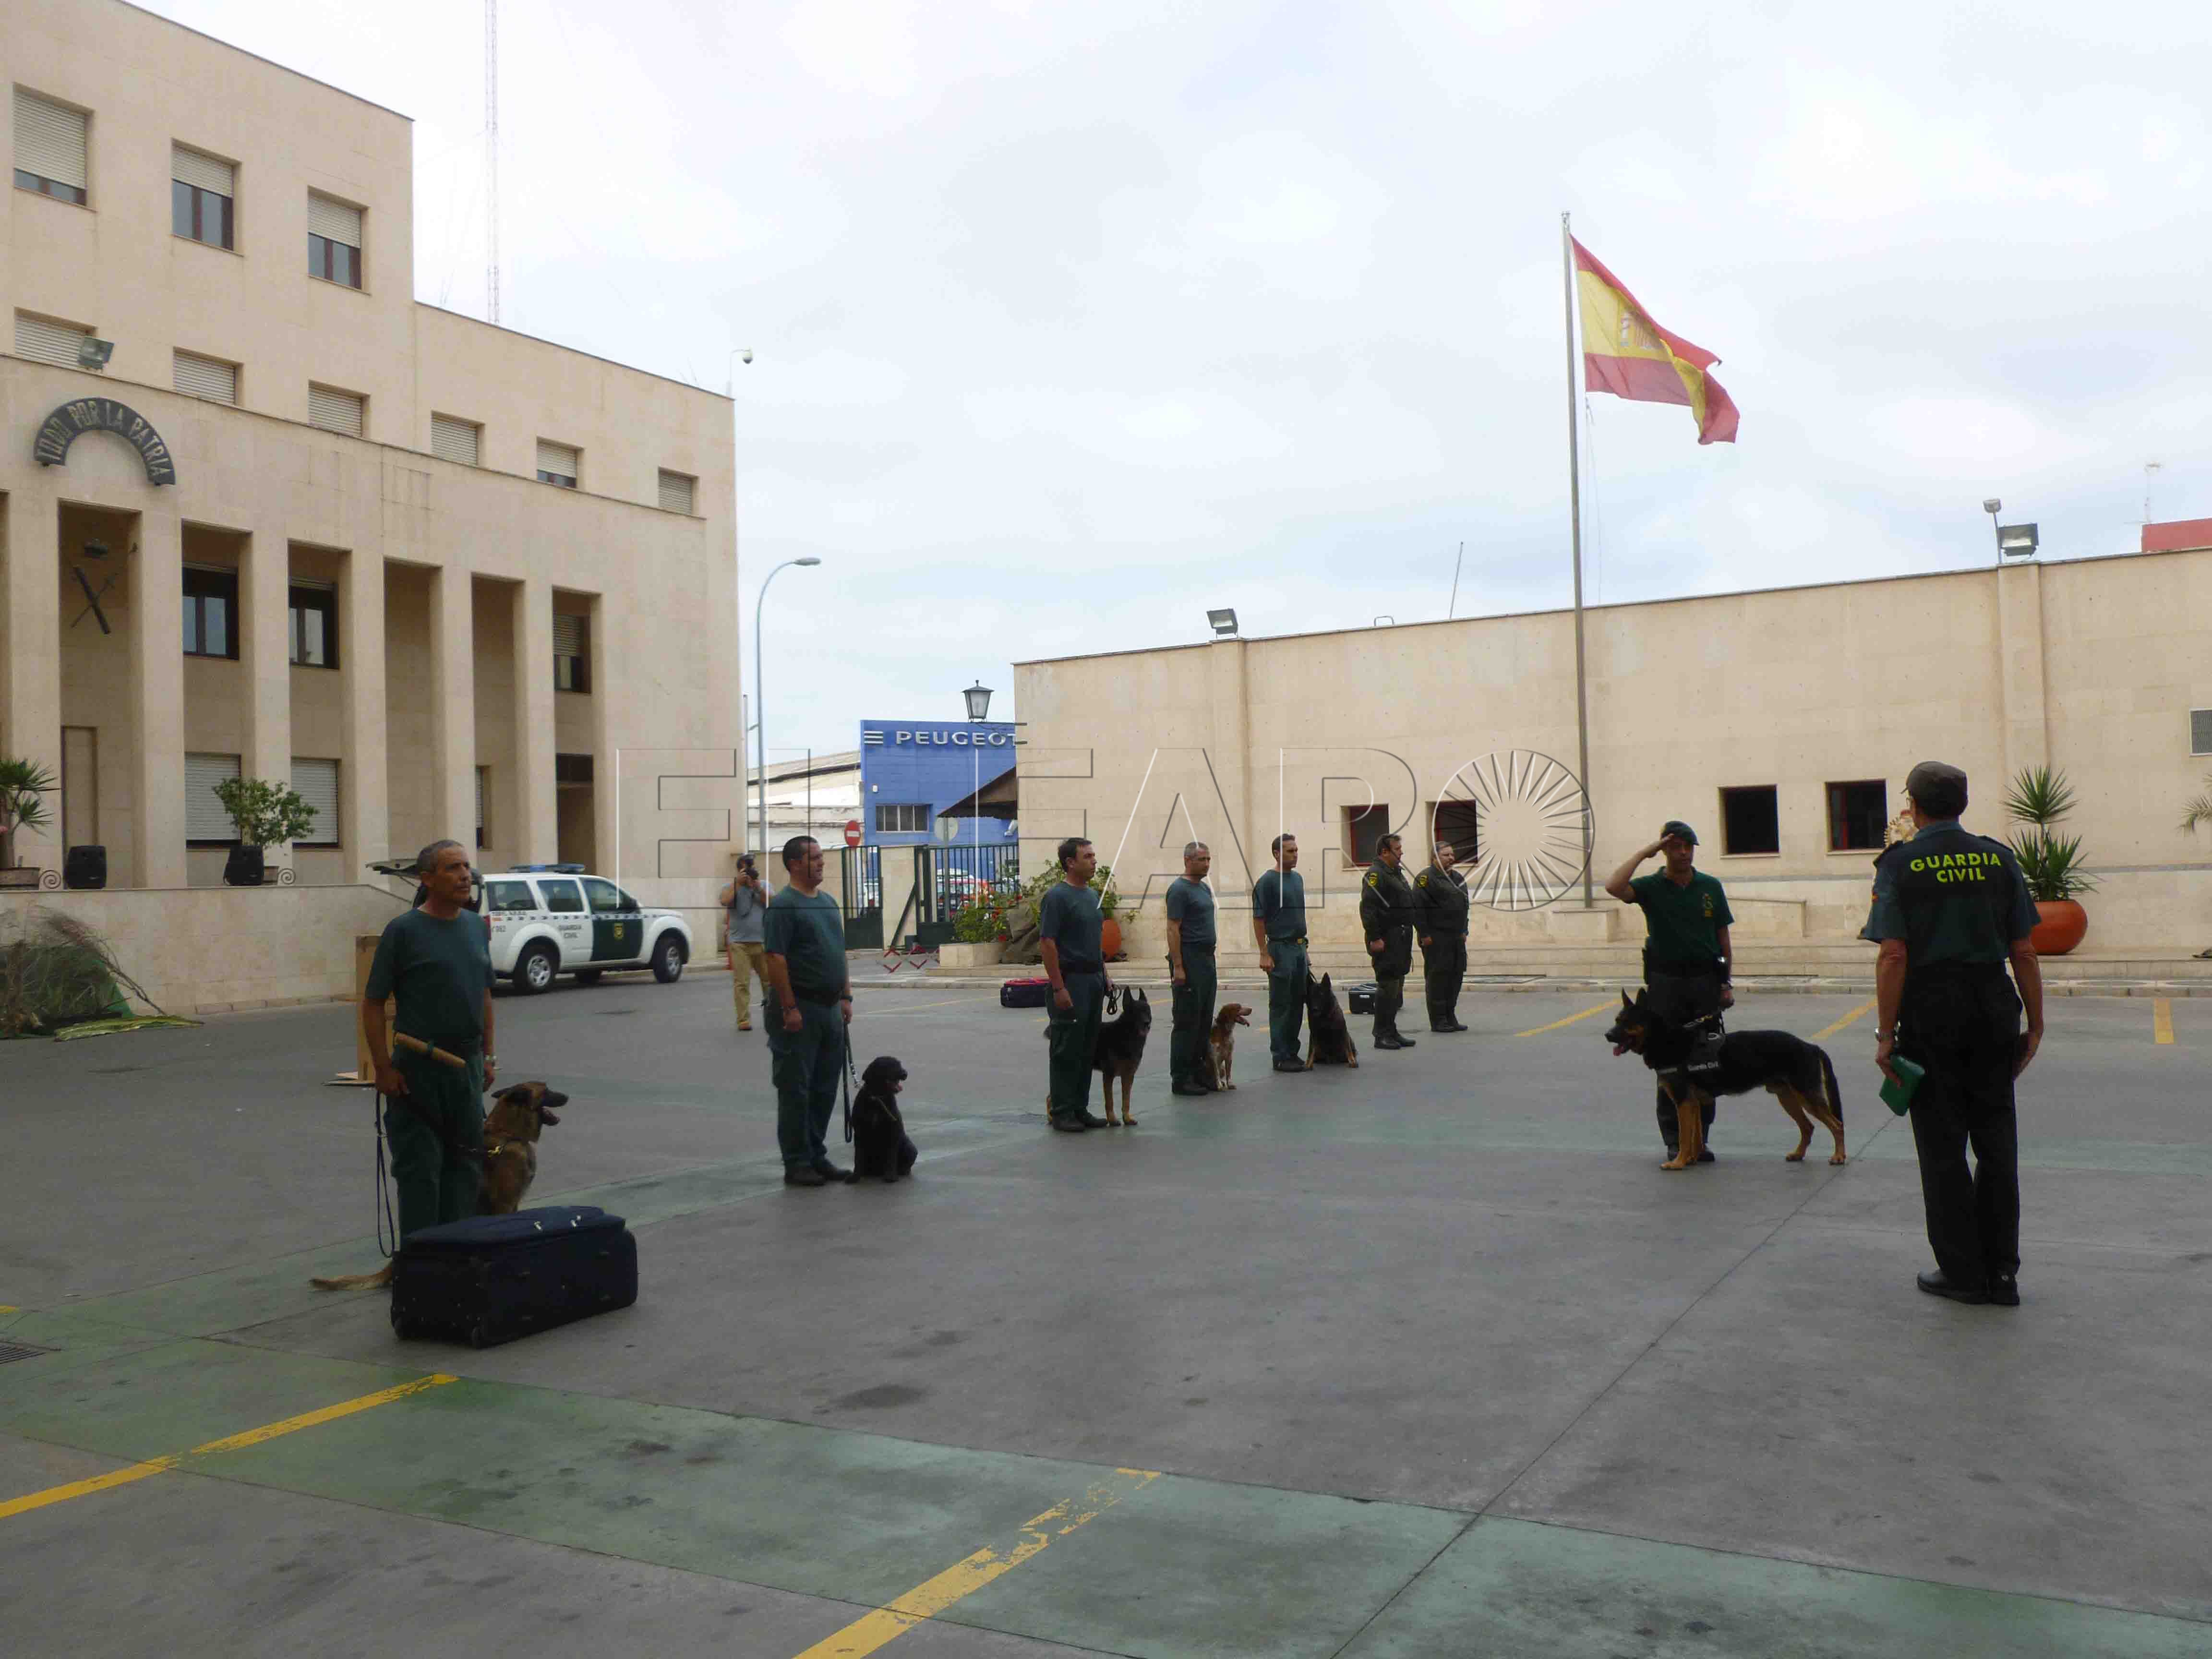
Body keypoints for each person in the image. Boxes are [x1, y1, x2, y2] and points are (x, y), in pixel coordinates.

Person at [1864, 761, 2043, 1307]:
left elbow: (1893, 954)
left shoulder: (1900, 863)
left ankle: (1964, 1273)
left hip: (1932, 1010)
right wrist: (2036, 1024)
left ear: (1913, 806)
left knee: (1943, 1147)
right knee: (1997, 1142)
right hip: (1992, 1007)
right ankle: (2003, 1273)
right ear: (1962, 804)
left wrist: (1886, 1034)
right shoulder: (1999, 858)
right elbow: (2024, 951)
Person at [363, 839, 496, 1239]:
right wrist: (383, 1069)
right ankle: (421, 1264)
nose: (465, 876)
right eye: (453, 868)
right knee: (421, 1171)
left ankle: (459, 1257)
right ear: (427, 879)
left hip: (467, 1068)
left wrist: (489, 1057)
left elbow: (484, 995)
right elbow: (373, 1004)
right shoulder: (403, 931)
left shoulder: (476, 927)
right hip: (418, 1070)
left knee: (466, 1166)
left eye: (466, 867)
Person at [1605, 821, 1734, 1160]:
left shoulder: (1710, 886)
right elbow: (1614, 886)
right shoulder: (1651, 886)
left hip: (1705, 982)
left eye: (1689, 847)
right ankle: (1675, 1140)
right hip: (1666, 985)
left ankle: (1700, 1140)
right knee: (1667, 1062)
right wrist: (1645, 853)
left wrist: (1726, 982)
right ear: (1665, 850)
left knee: (1707, 1061)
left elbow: (1722, 937)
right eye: (1676, 847)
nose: (1684, 853)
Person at [760, 835, 854, 1186]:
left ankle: (817, 1155)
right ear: (794, 864)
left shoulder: (828, 903)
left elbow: (839, 952)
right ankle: (797, 1162)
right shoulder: (784, 907)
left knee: (825, 1088)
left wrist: (846, 997)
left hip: (830, 1008)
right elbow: (775, 958)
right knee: (796, 1089)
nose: (821, 863)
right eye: (814, 858)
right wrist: (789, 1007)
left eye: (821, 857)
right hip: (799, 1008)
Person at [1040, 836, 1110, 1132]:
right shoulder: (1057, 897)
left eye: (1094, 855)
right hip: (1071, 980)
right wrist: (1059, 988)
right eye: (1088, 856)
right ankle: (1062, 1111)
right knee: (1067, 1049)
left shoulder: (1092, 896)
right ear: (1070, 863)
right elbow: (1048, 943)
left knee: (1087, 1048)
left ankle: (1080, 1108)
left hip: (1093, 980)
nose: (1094, 861)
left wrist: (1104, 974)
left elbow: (1094, 941)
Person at [1165, 841, 1218, 1096]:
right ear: (1188, 861)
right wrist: (1179, 966)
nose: (1207, 864)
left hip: (1207, 960)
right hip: (1190, 959)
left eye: (1208, 860)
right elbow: (1173, 928)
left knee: (1204, 1020)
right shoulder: (1179, 890)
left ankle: (1199, 1073)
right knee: (1187, 1021)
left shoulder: (1204, 888)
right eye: (1202, 860)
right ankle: (1181, 1078)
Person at [1251, 833, 1308, 1074]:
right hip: (1280, 948)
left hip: (1298, 948)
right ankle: (1281, 1055)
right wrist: (1264, 953)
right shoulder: (1267, 882)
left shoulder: (1298, 879)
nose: (1295, 855)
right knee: (1281, 1004)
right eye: (1290, 851)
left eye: (1296, 850)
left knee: (1297, 1003)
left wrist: (1304, 950)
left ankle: (1292, 1052)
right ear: (1277, 854)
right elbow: (1258, 919)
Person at [1360, 833, 1420, 1048]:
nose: (1401, 852)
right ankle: (1382, 1034)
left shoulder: (1395, 873)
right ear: (1384, 852)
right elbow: (1368, 908)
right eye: (1397, 849)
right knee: (1387, 987)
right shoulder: (1375, 874)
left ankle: (1391, 1030)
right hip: (1387, 938)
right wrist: (1375, 938)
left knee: (1396, 987)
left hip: (1401, 937)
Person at [1416, 839, 1471, 1034]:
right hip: (1436, 937)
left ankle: (1450, 1016)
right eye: (1446, 855)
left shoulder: (1457, 877)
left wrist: (1464, 930)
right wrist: (1424, 934)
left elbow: (1465, 906)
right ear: (1435, 858)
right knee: (1438, 979)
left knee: (1455, 977)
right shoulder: (1426, 878)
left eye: (1452, 854)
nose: (1451, 858)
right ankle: (1438, 1019)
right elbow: (1418, 908)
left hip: (1456, 937)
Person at [718, 851, 768, 1033]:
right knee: (742, 983)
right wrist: (738, 884)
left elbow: (773, 903)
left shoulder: (763, 886)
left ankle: (774, 1016)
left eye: (752, 868)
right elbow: (725, 901)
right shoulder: (730, 887)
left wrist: (758, 889)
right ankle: (743, 1020)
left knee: (769, 982)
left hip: (762, 942)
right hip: (739, 943)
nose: (750, 872)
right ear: (739, 871)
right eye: (746, 870)